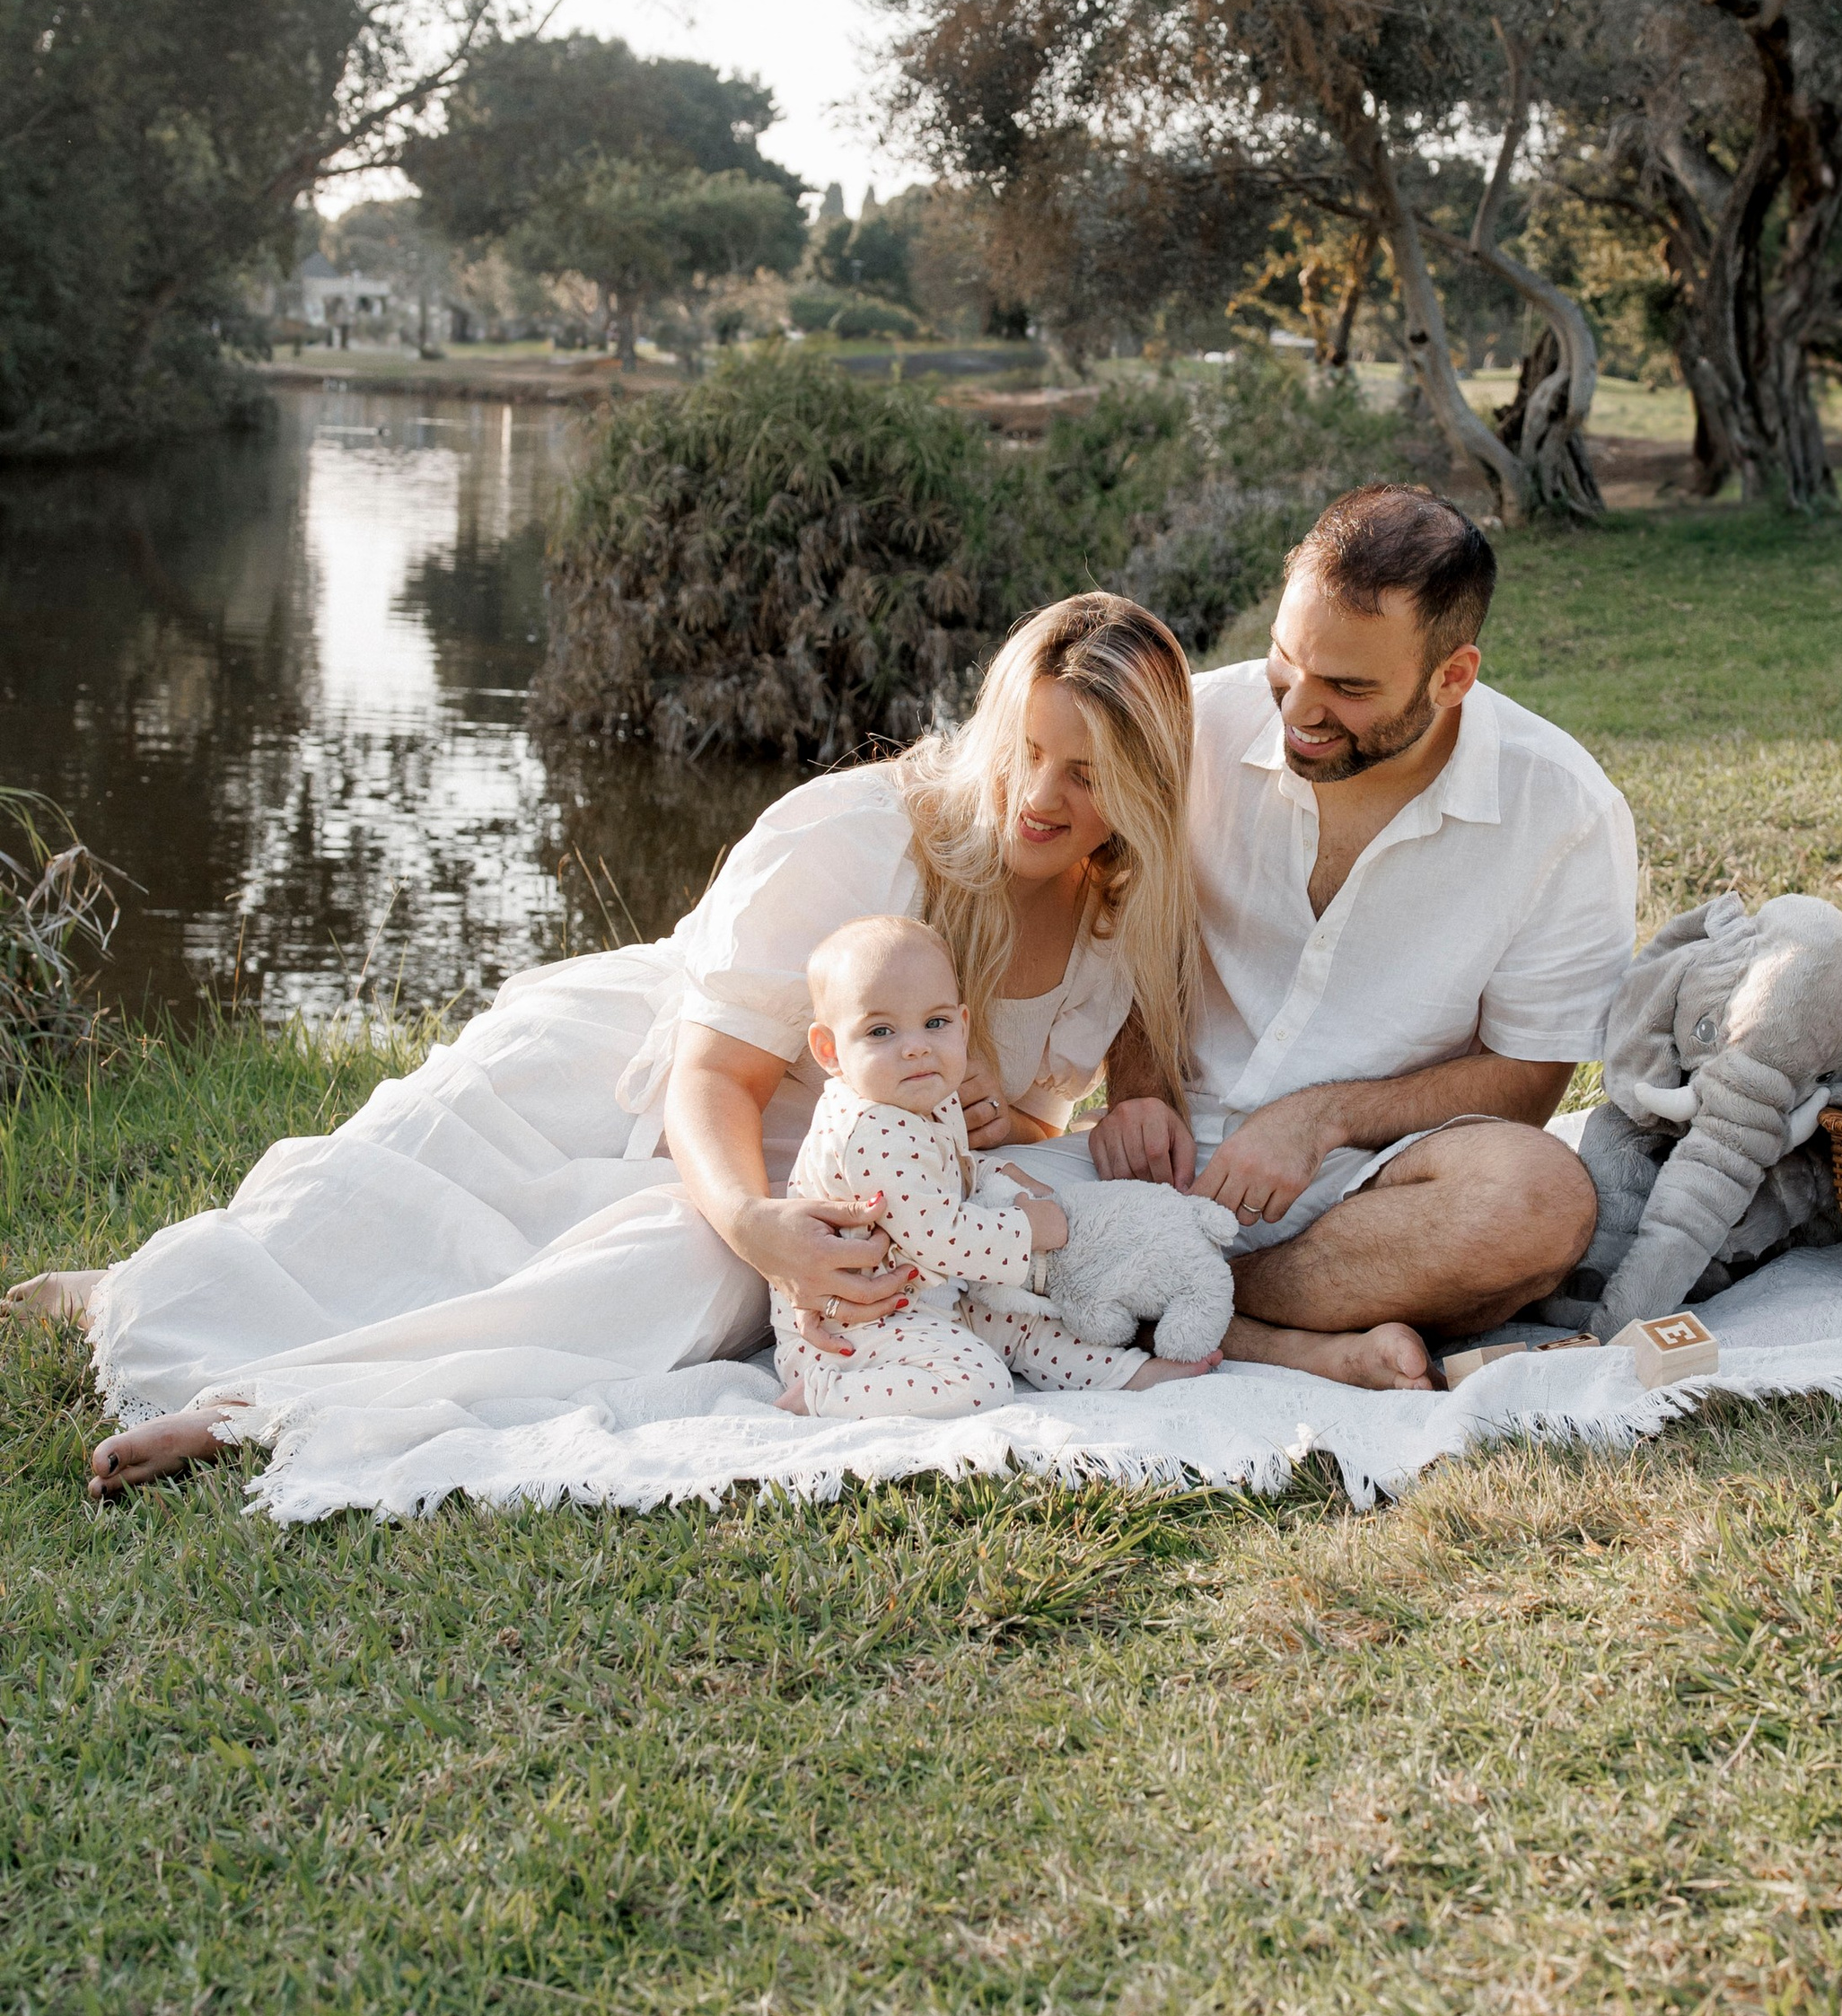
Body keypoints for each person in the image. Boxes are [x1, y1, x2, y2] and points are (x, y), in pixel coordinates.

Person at [39, 592, 1200, 1493]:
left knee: (664, 1291)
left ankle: (263, 1405)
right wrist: (753, 1223)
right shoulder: (862, 837)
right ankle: (158, 1303)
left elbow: (1028, 1115)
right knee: (408, 1212)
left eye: (1086, 774)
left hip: (834, 1166)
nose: (1039, 796)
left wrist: (994, 1121)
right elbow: (715, 1071)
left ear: (1142, 788)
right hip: (668, 1085)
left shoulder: (1111, 927)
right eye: (1027, 750)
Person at [1034, 484, 1636, 1391]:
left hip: (1369, 1190)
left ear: (1453, 676)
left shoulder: (1564, 808)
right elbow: (1109, 901)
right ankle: (1261, 1328)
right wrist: (1140, 1088)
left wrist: (1323, 1120)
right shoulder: (1192, 724)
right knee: (921, 1200)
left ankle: (1177, 1295)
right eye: (1288, 661)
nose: (1300, 712)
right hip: (1157, 1161)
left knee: (1540, 1202)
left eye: (1349, 689)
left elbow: (1527, 1080)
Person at [771, 915, 1213, 1415]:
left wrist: (999, 1174)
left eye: (935, 1023)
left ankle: (1124, 1374)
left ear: (962, 1026)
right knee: (979, 1382)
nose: (916, 1046)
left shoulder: (923, 1095)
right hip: (856, 1324)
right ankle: (821, 1395)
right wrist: (1028, 1229)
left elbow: (950, 1166)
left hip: (926, 1296)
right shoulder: (871, 1130)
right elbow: (937, 1235)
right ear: (830, 1050)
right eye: (880, 1031)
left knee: (1024, 1322)